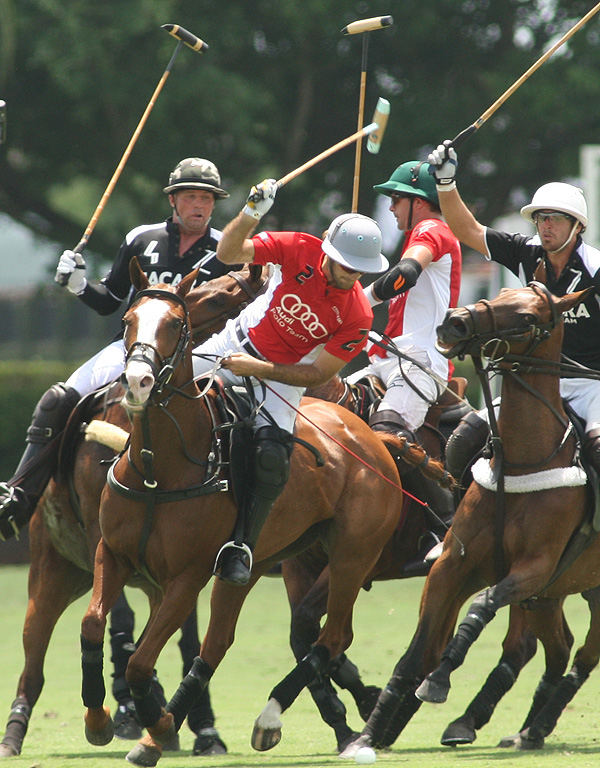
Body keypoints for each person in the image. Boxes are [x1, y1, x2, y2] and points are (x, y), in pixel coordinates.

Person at [0, 157, 233, 749]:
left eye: (207, 198)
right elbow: (113, 303)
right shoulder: (141, 241)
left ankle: (241, 510)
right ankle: (20, 493)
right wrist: (80, 285)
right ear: (172, 199)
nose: (198, 205)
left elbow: (236, 303)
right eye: (189, 196)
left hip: (196, 357)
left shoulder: (228, 249)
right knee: (58, 400)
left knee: (237, 420)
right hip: (132, 350)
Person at [192, 178, 389, 586]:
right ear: (326, 251)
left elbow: (319, 373)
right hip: (232, 342)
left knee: (272, 457)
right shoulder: (297, 247)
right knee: (155, 390)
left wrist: (259, 370)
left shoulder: (357, 316)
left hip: (281, 380)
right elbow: (228, 253)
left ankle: (241, 545)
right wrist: (251, 212)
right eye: (345, 266)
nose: (351, 277)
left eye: (360, 271)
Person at [428, 141, 600, 482]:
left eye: (554, 219)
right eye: (540, 218)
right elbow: (469, 230)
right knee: (464, 439)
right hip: (533, 380)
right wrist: (446, 183)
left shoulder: (595, 270)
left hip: (590, 385)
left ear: (577, 226)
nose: (545, 225)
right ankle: (453, 521)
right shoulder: (527, 252)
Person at [346, 160, 462, 556]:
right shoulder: (417, 231)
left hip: (421, 363)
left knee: (389, 431)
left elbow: (408, 273)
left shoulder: (431, 229)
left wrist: (357, 299)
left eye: (397, 199)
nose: (392, 207)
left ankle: (447, 526)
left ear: (419, 202)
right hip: (387, 358)